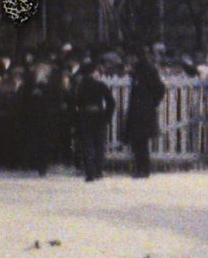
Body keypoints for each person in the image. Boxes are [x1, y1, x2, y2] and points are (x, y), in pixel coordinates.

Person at [70, 59, 115, 182]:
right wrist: (107, 116)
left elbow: (75, 103)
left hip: (84, 116)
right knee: (99, 144)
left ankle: (90, 172)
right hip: (98, 116)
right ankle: (98, 170)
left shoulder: (80, 87)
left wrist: (76, 118)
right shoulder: (100, 85)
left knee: (87, 145)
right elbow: (111, 102)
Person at [125, 48, 167, 179]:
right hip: (139, 110)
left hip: (143, 111)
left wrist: (151, 103)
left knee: (141, 141)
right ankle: (141, 168)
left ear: (135, 56)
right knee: (138, 141)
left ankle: (143, 169)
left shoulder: (147, 69)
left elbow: (160, 88)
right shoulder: (139, 69)